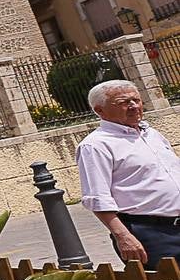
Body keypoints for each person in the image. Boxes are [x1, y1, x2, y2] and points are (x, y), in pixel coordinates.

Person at [76, 79, 180, 266]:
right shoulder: (96, 145)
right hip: (151, 233)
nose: (133, 106)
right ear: (100, 110)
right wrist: (123, 236)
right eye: (123, 102)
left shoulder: (151, 134)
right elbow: (97, 197)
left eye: (136, 100)